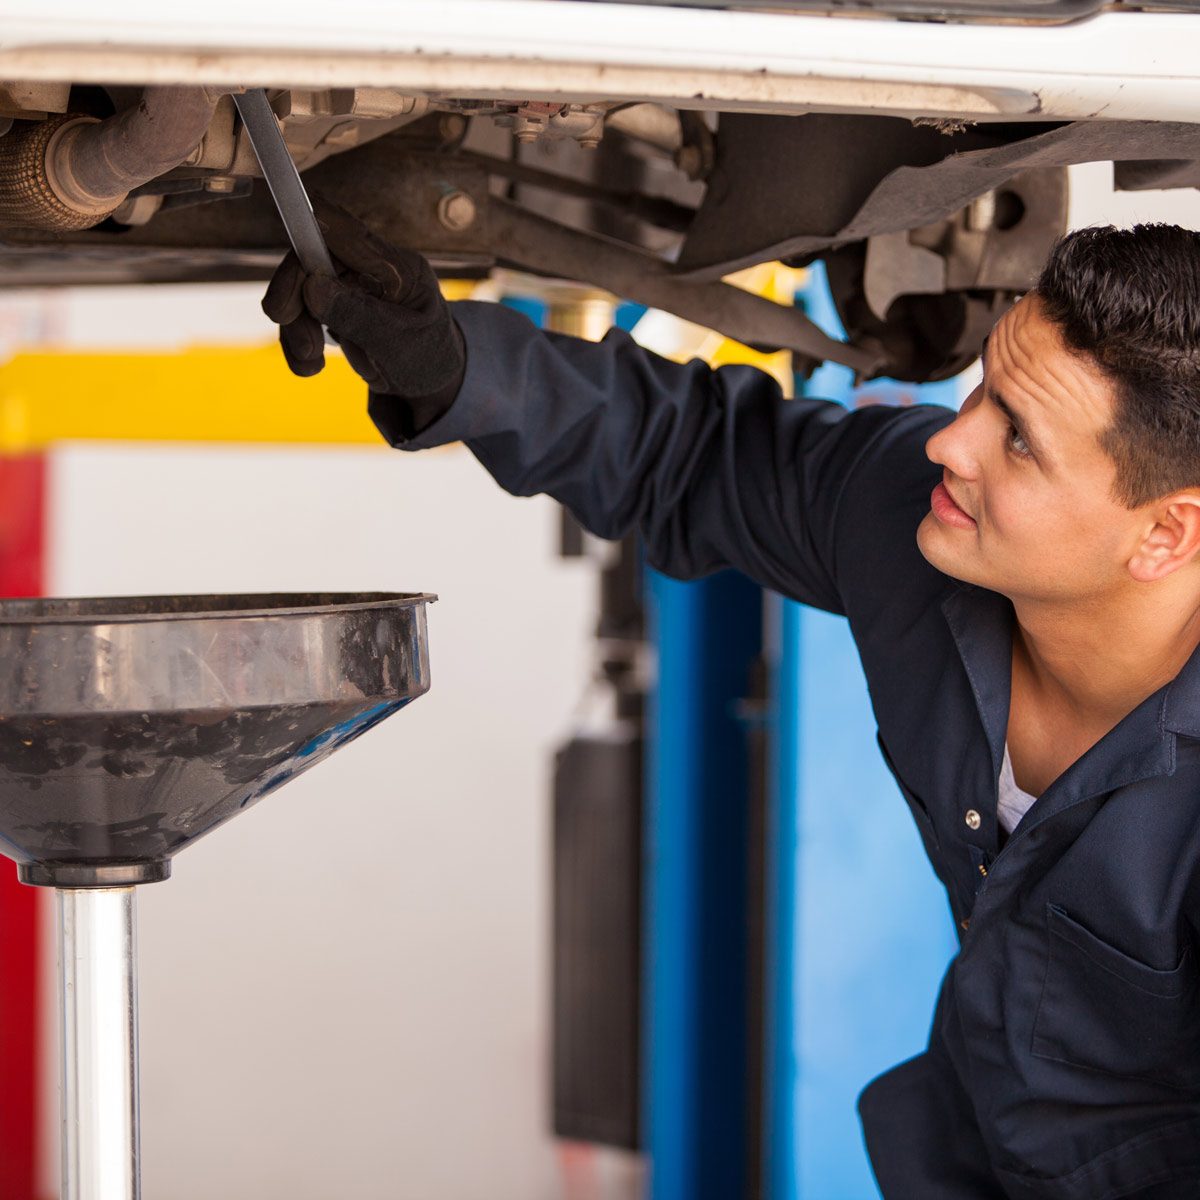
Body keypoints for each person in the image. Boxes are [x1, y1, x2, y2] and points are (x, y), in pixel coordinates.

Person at [264, 211, 1200, 1199]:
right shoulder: (924, 536)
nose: (951, 443)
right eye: (981, 394)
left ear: (1165, 536)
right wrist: (453, 367)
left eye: (1018, 439)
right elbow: (695, 457)